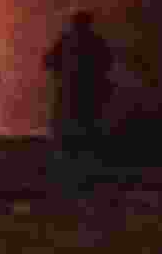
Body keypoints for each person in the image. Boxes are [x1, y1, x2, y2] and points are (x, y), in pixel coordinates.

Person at [44, 10, 114, 168]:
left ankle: (69, 156)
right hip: (88, 89)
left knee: (68, 121)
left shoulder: (67, 40)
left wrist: (59, 71)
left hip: (70, 89)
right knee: (87, 122)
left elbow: (48, 61)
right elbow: (107, 62)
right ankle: (87, 156)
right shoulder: (96, 41)